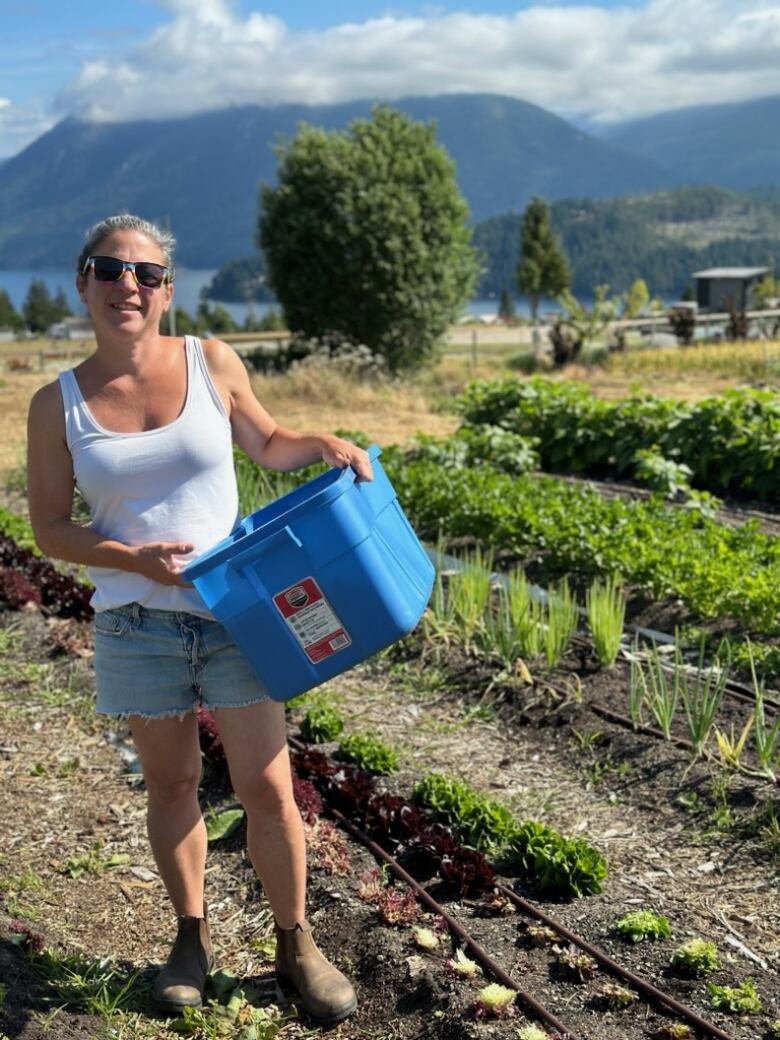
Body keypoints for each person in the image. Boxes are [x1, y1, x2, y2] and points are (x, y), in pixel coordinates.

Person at [26, 214, 371, 1027]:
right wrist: (137, 562)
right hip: (136, 625)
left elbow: (270, 441)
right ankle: (191, 939)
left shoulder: (211, 361)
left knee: (267, 788)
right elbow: (49, 528)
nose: (128, 287)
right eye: (109, 271)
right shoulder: (57, 404)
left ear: (167, 290)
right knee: (174, 783)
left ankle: (296, 945)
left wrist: (317, 441)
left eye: (145, 275)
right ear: (82, 283)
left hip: (234, 614)